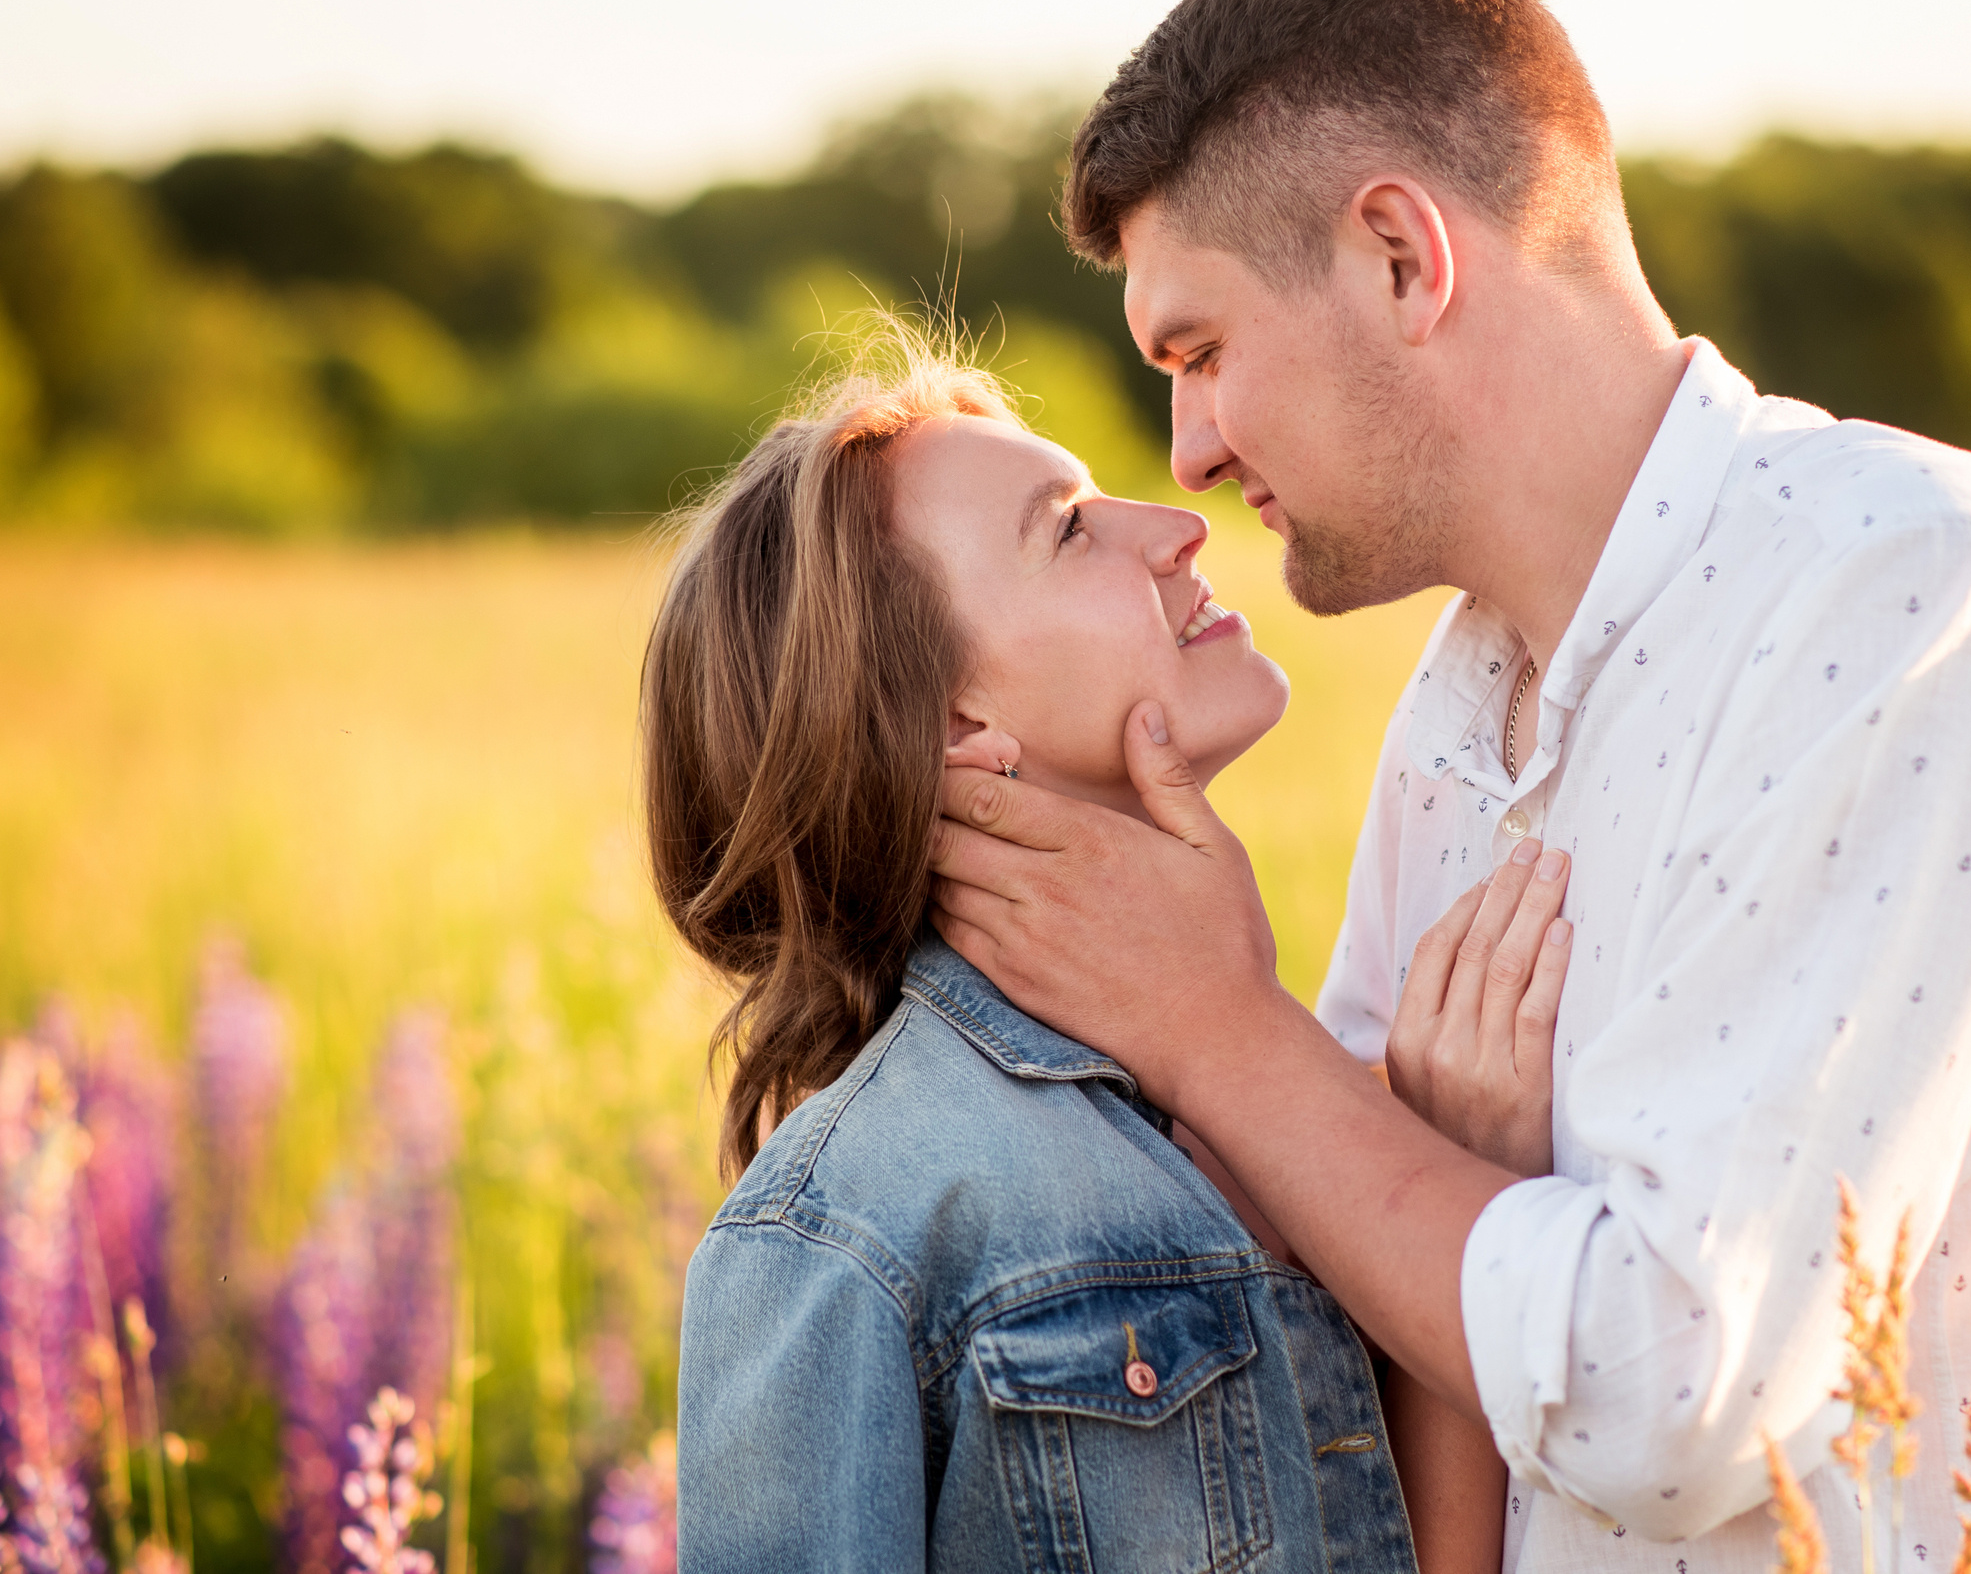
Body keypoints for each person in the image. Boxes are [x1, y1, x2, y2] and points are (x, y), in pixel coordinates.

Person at [928, 0, 1971, 1574]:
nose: (1186, 452)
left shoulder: (1909, 588)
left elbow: (1682, 1384)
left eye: (1203, 351)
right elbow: (1363, 1296)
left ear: (1400, 257)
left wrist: (1219, 1028)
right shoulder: (1459, 710)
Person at [651, 329, 1533, 1570]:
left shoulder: (1296, 1099)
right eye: (1067, 529)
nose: (1179, 525)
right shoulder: (841, 1232)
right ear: (955, 724)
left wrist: (1474, 1185)